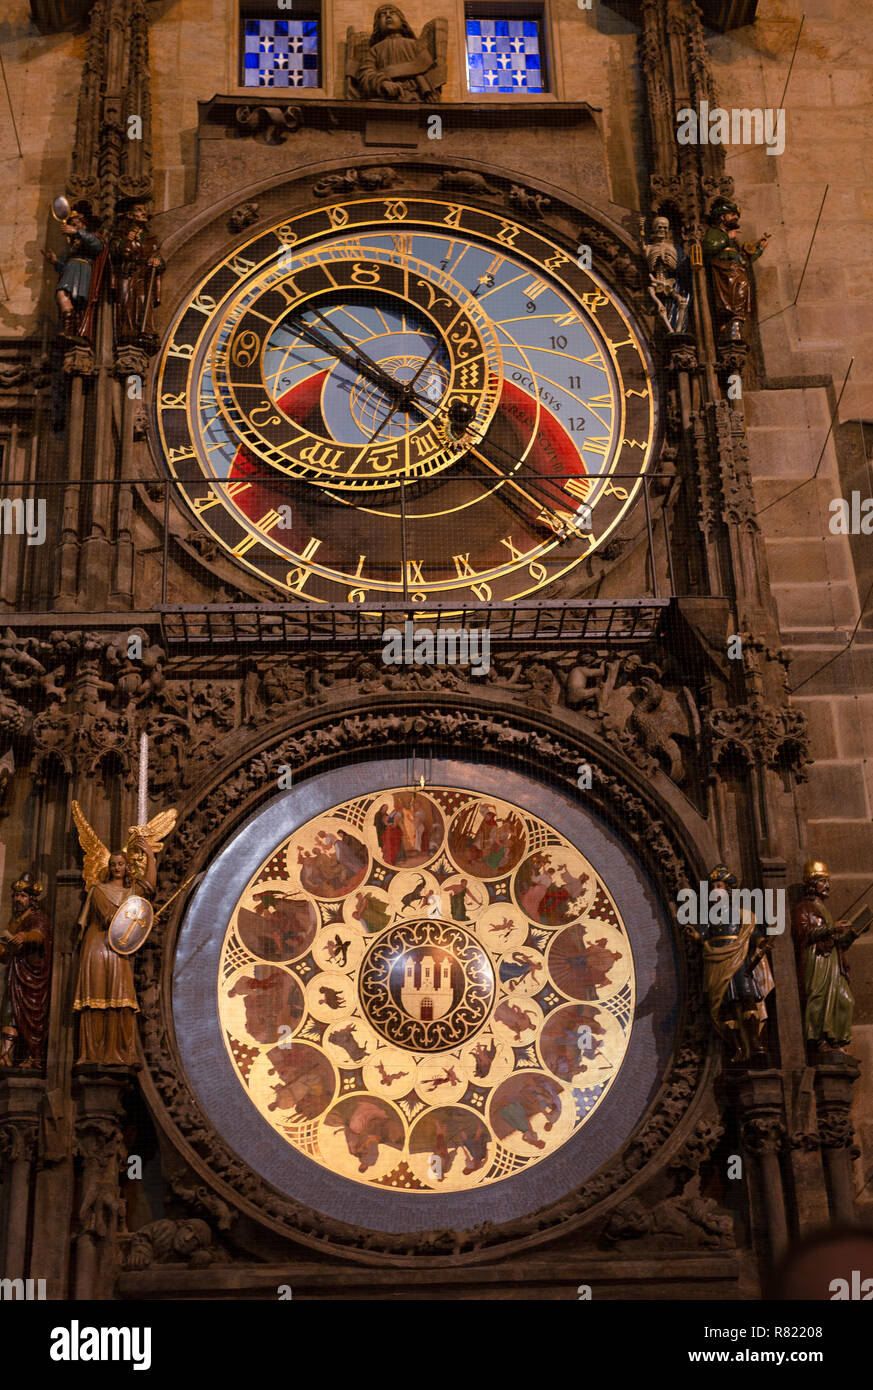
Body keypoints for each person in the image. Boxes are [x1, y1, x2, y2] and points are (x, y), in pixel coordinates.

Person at [690, 864, 774, 1064]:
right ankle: (736, 1048)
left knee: (747, 999)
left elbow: (752, 933)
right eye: (714, 887)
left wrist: (761, 942)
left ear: (729, 890)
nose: (716, 890)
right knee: (725, 1006)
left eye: (719, 886)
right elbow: (702, 935)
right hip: (718, 963)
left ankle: (754, 1042)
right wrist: (693, 934)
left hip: (739, 960)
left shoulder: (741, 914)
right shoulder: (708, 917)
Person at [792, 858, 869, 1051]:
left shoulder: (825, 910)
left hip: (833, 961)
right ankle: (821, 1040)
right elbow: (803, 934)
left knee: (845, 1000)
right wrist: (830, 928)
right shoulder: (803, 909)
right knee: (818, 998)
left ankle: (837, 1040)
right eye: (822, 881)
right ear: (811, 884)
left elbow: (837, 944)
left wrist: (852, 934)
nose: (827, 885)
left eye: (828, 881)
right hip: (816, 960)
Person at [0, 872, 52, 1069]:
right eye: (16, 895)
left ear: (31, 899)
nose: (18, 899)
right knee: (9, 1013)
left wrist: (25, 935)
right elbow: (6, 954)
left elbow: (39, 935)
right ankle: (6, 1056)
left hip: (32, 977)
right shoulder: (14, 921)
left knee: (31, 1016)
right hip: (14, 975)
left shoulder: (37, 917)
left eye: (22, 895)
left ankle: (34, 1056)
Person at [702, 197, 770, 344]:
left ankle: (734, 327)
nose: (736, 219)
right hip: (723, 272)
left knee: (741, 291)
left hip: (736, 270)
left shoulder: (731, 239)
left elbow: (743, 259)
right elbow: (708, 247)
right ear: (722, 217)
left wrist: (759, 249)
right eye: (733, 215)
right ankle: (730, 327)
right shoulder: (716, 232)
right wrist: (727, 237)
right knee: (737, 290)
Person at [349, 6, 443, 103]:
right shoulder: (375, 50)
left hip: (414, 97)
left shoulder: (416, 45)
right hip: (384, 98)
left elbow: (428, 69)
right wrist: (382, 83)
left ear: (402, 22)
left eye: (392, 13)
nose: (388, 16)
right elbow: (366, 74)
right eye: (383, 15)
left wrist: (428, 91)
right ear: (378, 25)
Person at [43, 208, 106, 340]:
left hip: (82, 271)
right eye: (70, 224)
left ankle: (73, 328)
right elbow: (65, 269)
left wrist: (78, 231)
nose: (71, 227)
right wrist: (55, 262)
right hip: (72, 270)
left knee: (64, 294)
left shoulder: (90, 237)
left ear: (84, 225)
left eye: (75, 223)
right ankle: (70, 328)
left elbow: (98, 246)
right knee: (63, 295)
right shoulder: (72, 246)